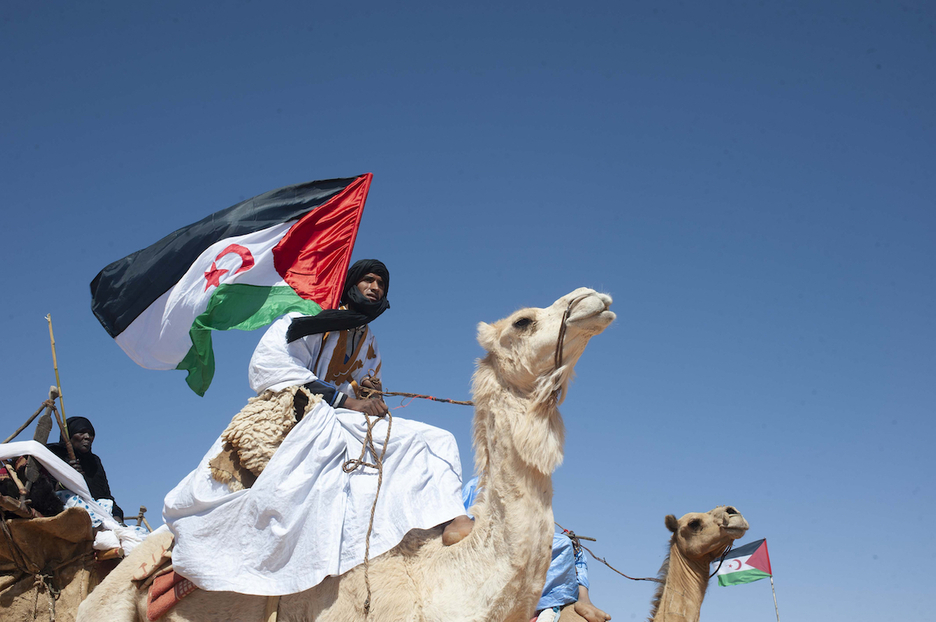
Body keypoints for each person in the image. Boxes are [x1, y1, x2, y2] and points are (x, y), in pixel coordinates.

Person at [163, 259, 471, 596]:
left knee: (434, 439)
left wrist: (367, 391)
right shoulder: (308, 316)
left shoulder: (369, 341)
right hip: (296, 413)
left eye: (381, 284)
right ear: (350, 283)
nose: (375, 288)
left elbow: (358, 388)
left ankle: (449, 518)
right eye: (368, 279)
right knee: (232, 490)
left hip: (343, 420)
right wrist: (347, 401)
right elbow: (269, 365)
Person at [463, 476, 610, 622]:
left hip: (521, 543)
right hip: (489, 547)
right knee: (562, 545)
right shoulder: (477, 485)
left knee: (571, 547)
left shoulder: (522, 484)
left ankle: (583, 600)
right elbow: (468, 524)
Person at [47, 416, 124, 522]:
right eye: (81, 432)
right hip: (60, 516)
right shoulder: (51, 455)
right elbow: (43, 494)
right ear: (69, 435)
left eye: (91, 434)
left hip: (96, 516)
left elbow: (106, 497)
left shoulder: (94, 462)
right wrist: (65, 480)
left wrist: (117, 518)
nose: (87, 437)